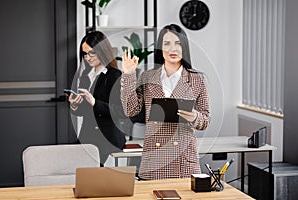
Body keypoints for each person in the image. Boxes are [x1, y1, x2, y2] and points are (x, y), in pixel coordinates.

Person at [120, 24, 210, 179]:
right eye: (166, 44)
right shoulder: (147, 77)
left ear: (184, 47)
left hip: (183, 159)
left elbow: (205, 120)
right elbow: (131, 110)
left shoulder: (198, 79)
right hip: (154, 158)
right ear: (160, 49)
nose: (172, 49)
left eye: (177, 43)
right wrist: (128, 75)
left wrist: (194, 117)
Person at [68, 31, 126, 166]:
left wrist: (94, 102)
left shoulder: (114, 76)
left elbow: (121, 111)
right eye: (84, 54)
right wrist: (75, 105)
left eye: (91, 53)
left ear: (102, 50)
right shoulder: (86, 75)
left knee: (92, 176)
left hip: (107, 138)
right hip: (87, 137)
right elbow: (83, 112)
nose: (88, 58)